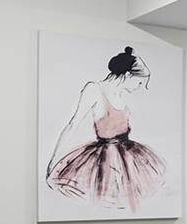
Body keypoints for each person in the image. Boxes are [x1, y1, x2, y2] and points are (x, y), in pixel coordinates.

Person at [46, 46, 166, 211]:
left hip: (129, 158)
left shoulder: (122, 94)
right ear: (128, 75)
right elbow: (73, 124)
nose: (140, 87)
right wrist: (53, 162)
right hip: (105, 160)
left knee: (127, 204)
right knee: (105, 200)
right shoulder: (94, 89)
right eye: (139, 82)